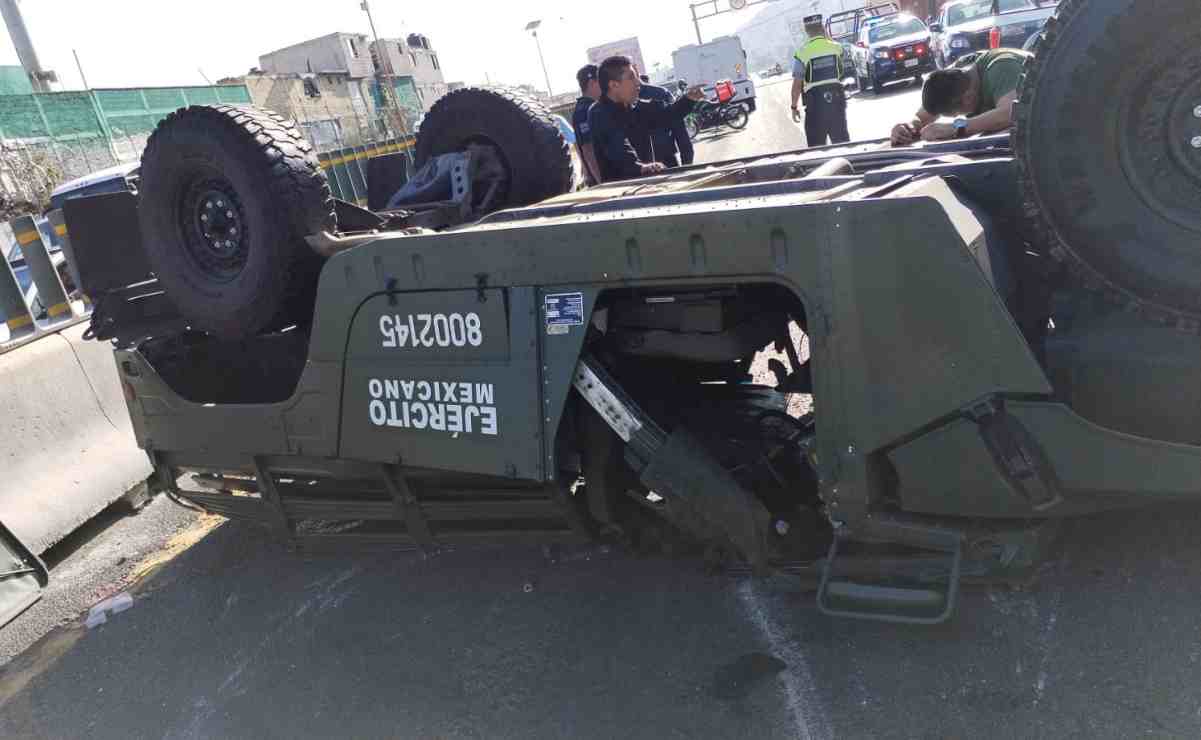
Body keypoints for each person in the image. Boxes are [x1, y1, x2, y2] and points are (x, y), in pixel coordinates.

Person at [587, 56, 704, 183]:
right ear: (614, 85)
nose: (638, 83)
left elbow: (667, 115)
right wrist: (640, 168)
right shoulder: (599, 113)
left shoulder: (635, 107)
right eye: (632, 77)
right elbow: (617, 147)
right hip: (621, 192)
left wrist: (689, 99)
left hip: (648, 185)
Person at [890, 48, 1032, 145]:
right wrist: (908, 127)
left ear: (968, 98)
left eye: (956, 114)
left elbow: (1010, 113)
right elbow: (924, 116)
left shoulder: (1002, 68)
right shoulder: (956, 76)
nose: (958, 117)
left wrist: (956, 127)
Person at [790, 14, 850, 147]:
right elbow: (844, 64)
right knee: (843, 146)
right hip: (837, 102)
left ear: (806, 31)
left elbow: (797, 85)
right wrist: (827, 37)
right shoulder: (836, 47)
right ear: (822, 28)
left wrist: (794, 107)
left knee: (816, 149)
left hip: (815, 106)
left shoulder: (802, 53)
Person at [637, 74, 695, 168]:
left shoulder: (622, 100)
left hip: (640, 166)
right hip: (665, 160)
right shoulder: (661, 93)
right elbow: (682, 137)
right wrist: (686, 166)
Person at [572, 64, 603, 186]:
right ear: (592, 82)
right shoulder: (584, 110)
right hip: (602, 179)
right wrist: (603, 184)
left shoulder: (594, 106)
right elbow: (588, 149)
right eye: (601, 80)